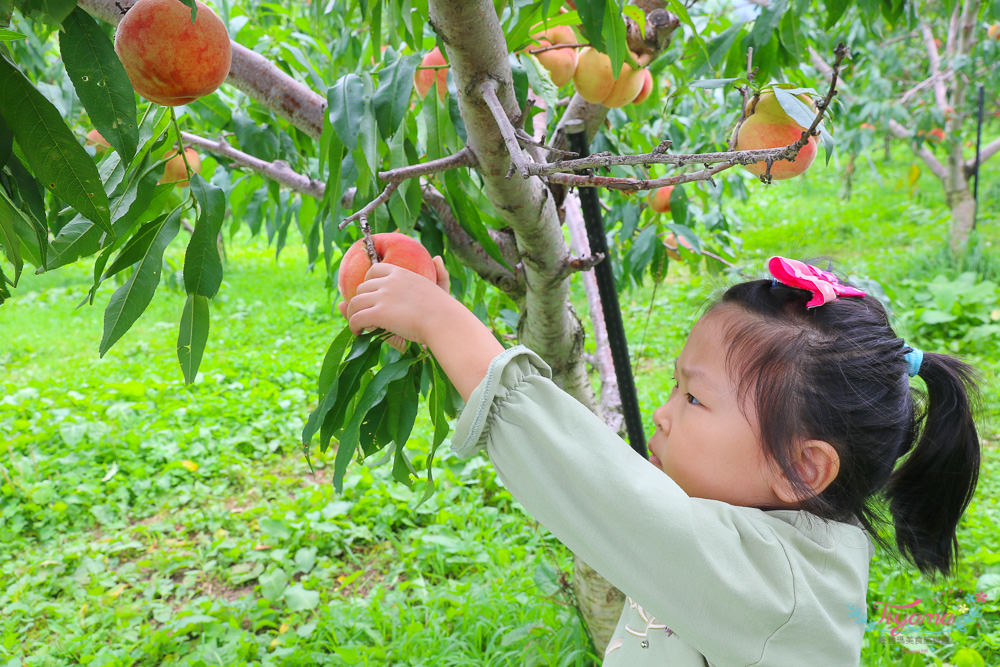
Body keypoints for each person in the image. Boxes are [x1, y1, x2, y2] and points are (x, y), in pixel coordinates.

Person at [341, 255, 981, 665]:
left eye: (696, 397)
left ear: (801, 469)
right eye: (677, 386)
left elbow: (600, 487)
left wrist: (445, 325)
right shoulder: (790, 539)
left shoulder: (768, 584)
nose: (666, 412)